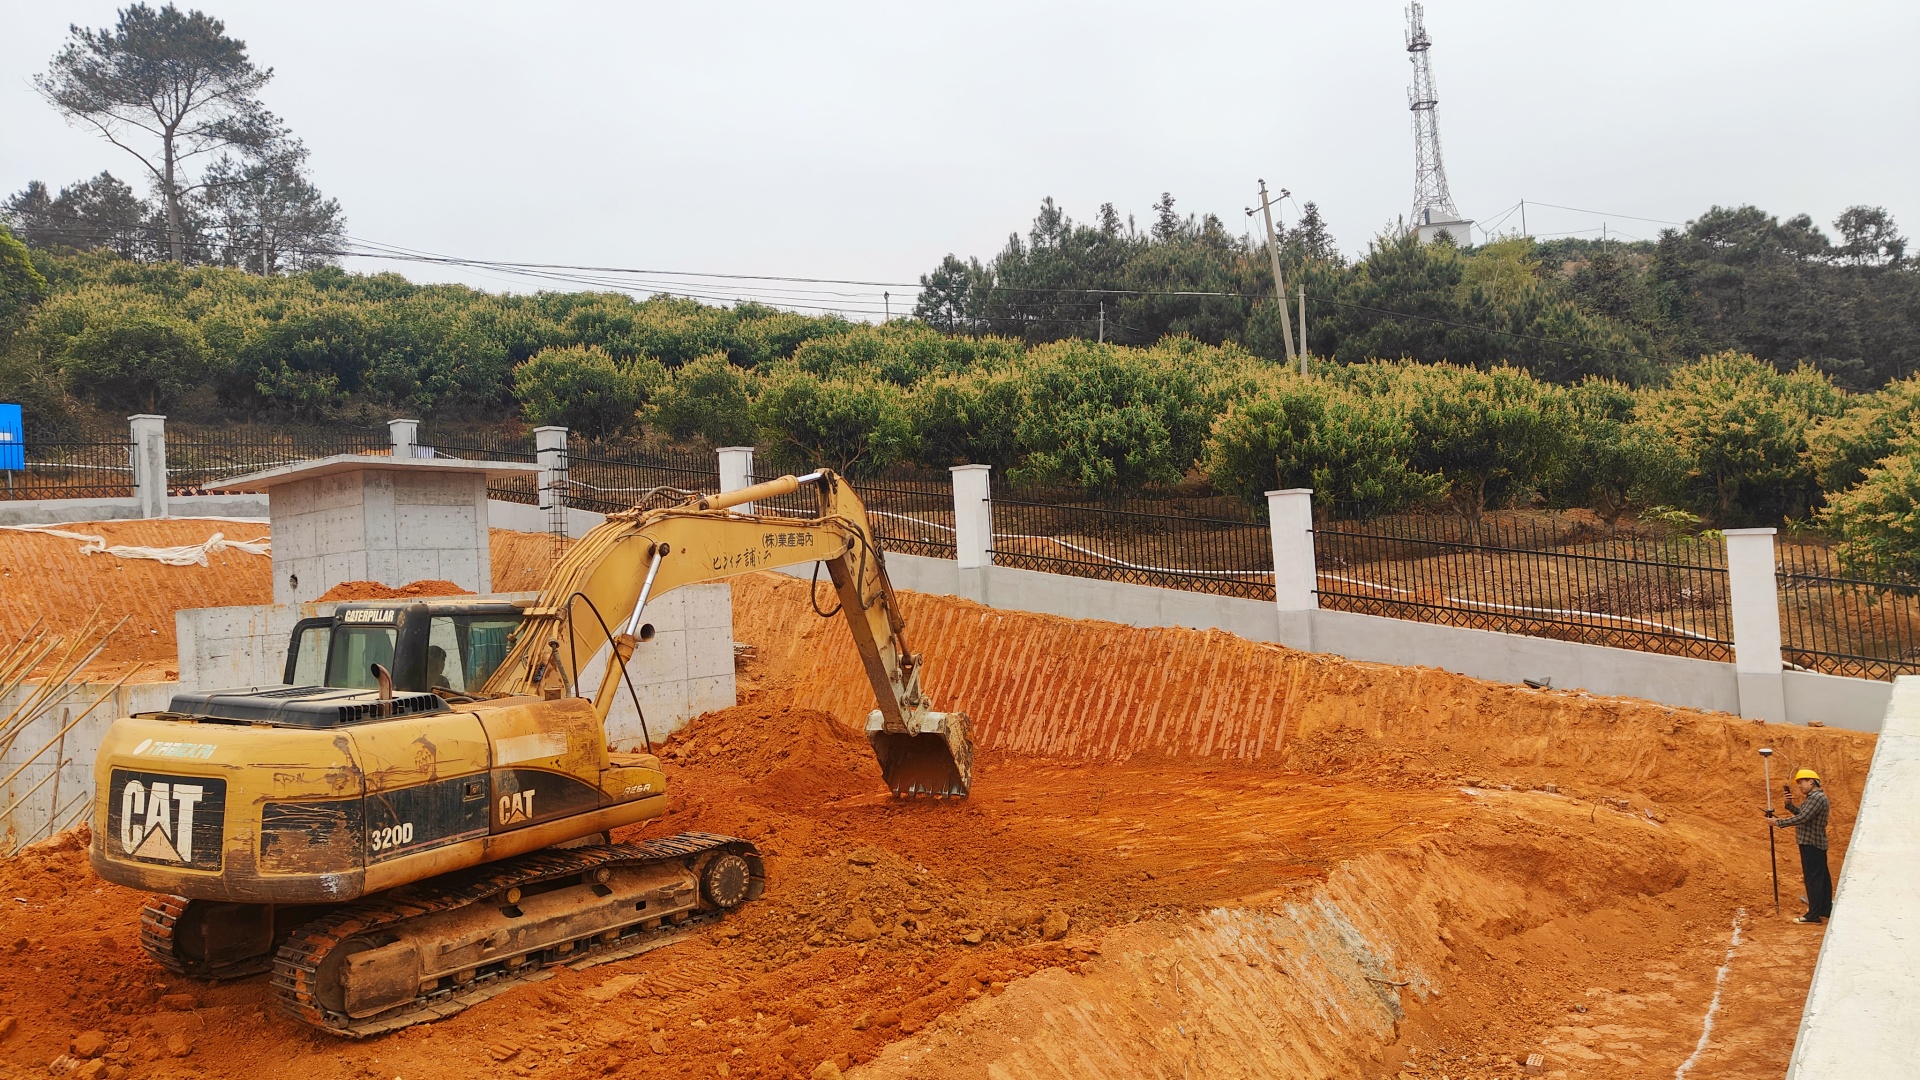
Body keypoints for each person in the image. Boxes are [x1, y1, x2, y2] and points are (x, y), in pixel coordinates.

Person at [1767, 768, 1832, 924]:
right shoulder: (1814, 798)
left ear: (1811, 781)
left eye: (1801, 782)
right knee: (1821, 878)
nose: (1800, 786)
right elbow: (1804, 815)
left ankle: (1813, 915)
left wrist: (1778, 823)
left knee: (1813, 879)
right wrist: (1789, 805)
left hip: (1811, 844)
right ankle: (1824, 909)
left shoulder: (1816, 798)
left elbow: (1803, 818)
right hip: (1815, 843)